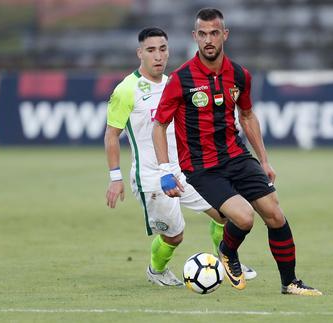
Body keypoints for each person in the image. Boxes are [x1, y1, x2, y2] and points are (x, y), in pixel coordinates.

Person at [152, 9, 322, 296]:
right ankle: (227, 251)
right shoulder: (181, 79)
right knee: (243, 218)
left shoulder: (240, 75)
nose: (208, 39)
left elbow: (247, 115)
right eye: (202, 34)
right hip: (202, 166)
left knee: (275, 215)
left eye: (214, 33)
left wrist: (264, 160)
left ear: (224, 35)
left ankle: (289, 282)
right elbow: (160, 125)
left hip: (236, 156)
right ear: (195, 36)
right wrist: (166, 171)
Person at [104, 27, 256, 287]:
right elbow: (111, 135)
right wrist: (115, 177)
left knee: (226, 214)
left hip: (185, 169)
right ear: (140, 53)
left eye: (162, 49)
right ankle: (157, 270)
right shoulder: (126, 90)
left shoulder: (176, 82)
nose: (158, 56)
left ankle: (228, 259)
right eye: (151, 50)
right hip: (151, 175)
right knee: (175, 236)